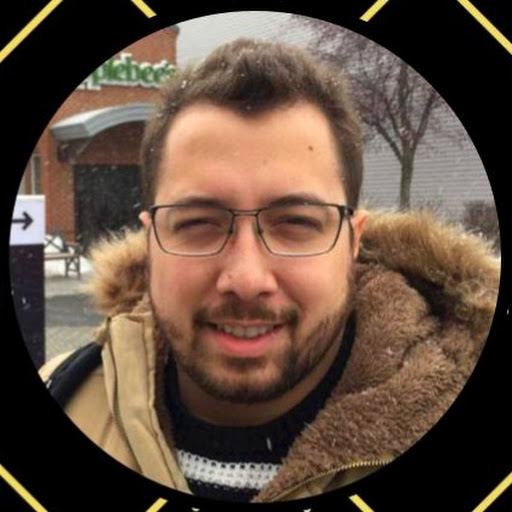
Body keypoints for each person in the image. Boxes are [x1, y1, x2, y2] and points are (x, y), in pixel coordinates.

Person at [39, 38, 499, 503]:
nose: (246, 279)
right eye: (198, 223)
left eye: (296, 223)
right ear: (151, 241)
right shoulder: (65, 393)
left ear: (352, 242)